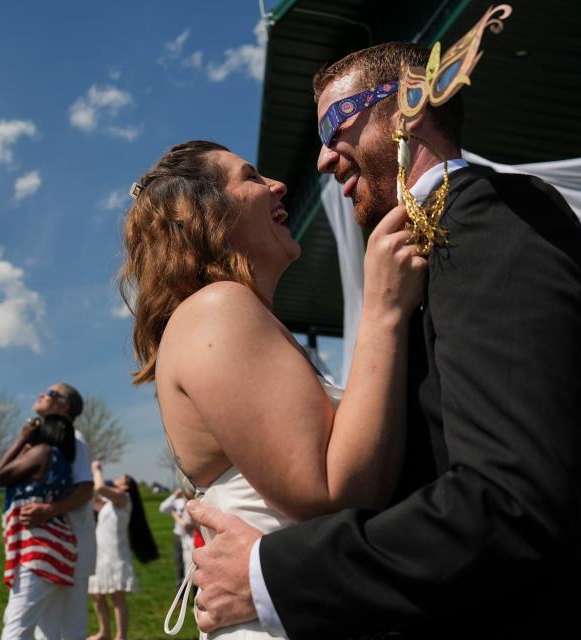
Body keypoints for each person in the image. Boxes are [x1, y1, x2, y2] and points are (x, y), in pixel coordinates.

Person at [184, 41, 581, 639]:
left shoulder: (489, 220)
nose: (321, 159)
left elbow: (510, 502)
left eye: (333, 125)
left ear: (410, 106)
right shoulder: (427, 253)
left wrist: (271, 575)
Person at [121, 134, 423, 640]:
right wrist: (383, 308)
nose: (279, 185)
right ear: (202, 215)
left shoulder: (232, 314)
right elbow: (330, 495)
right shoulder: (218, 308)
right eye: (251, 177)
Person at [18, 383, 97, 640]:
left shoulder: (74, 439)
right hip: (49, 549)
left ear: (64, 406)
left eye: (51, 393)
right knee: (46, 630)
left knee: (68, 630)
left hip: (71, 549)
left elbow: (86, 488)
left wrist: (48, 510)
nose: (42, 393)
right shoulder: (49, 439)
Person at [0, 413, 79, 640]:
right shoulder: (62, 462)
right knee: (37, 628)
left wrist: (21, 438)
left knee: (15, 631)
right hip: (53, 551)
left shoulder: (44, 452)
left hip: (38, 551)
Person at [87, 462, 158, 640]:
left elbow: (100, 488)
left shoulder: (124, 498)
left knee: (117, 597)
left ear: (126, 486)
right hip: (100, 554)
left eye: (122, 478)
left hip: (114, 555)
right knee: (97, 595)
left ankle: (121, 636)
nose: (117, 478)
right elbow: (92, 498)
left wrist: (97, 470)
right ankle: (104, 632)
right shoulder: (108, 503)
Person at [159, 488, 195, 590]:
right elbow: (162, 508)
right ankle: (180, 595)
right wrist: (174, 495)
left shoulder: (194, 503)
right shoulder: (177, 502)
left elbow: (187, 524)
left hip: (192, 538)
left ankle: (194, 593)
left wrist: (175, 515)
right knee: (180, 564)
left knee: (193, 566)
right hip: (179, 536)